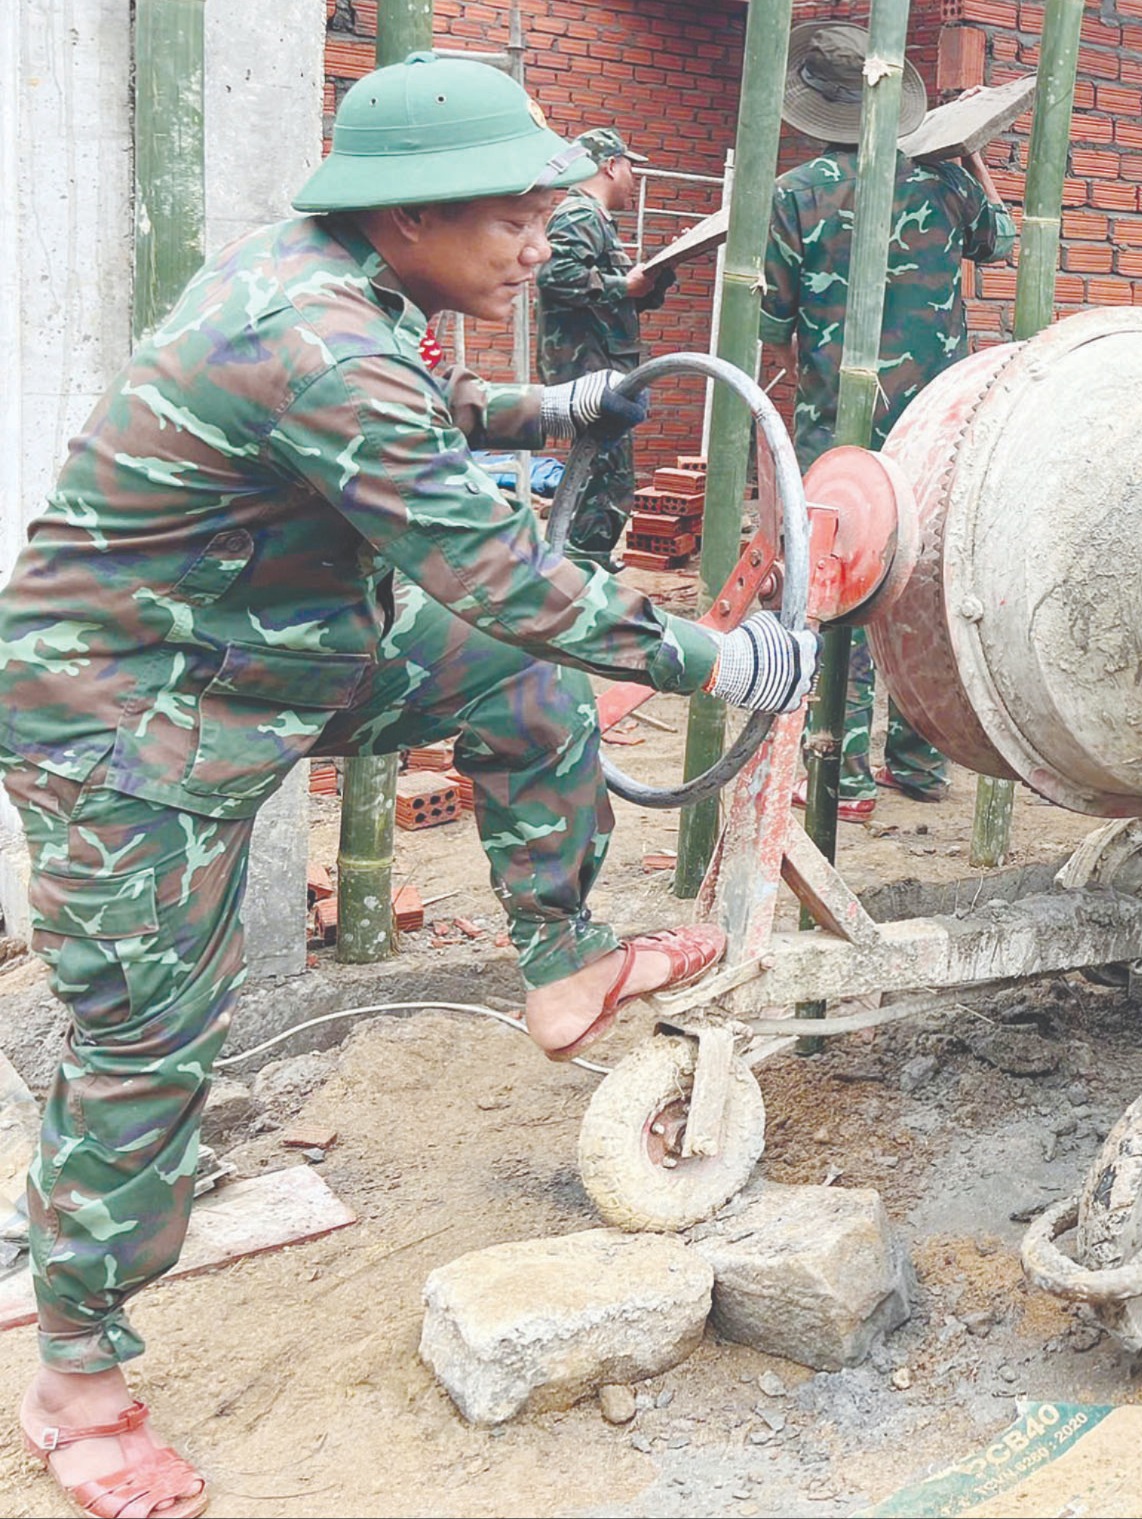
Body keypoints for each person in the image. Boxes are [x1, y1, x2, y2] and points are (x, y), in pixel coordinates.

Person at [0, 56, 817, 1514]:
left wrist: (561, 404)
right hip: (123, 707)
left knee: (520, 688)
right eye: (507, 219)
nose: (533, 245)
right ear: (402, 219)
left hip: (271, 645)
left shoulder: (348, 290)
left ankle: (563, 964)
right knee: (145, 1042)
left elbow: (422, 412)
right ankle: (76, 1375)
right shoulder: (310, 337)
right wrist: (717, 658)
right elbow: (496, 572)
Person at [763, 20, 1014, 814]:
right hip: (937, 428)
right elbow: (1001, 243)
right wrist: (971, 158)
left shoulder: (794, 196)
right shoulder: (944, 183)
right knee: (924, 584)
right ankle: (921, 758)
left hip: (839, 425)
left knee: (840, 584)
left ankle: (840, 774)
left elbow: (770, 319)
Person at [536, 126, 669, 568]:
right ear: (611, 165)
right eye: (630, 167)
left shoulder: (595, 221)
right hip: (585, 365)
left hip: (600, 361)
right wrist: (623, 284)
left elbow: (622, 297)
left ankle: (582, 564)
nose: (634, 178)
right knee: (607, 480)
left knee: (604, 476)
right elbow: (555, 278)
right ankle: (579, 572)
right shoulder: (580, 215)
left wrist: (660, 272)